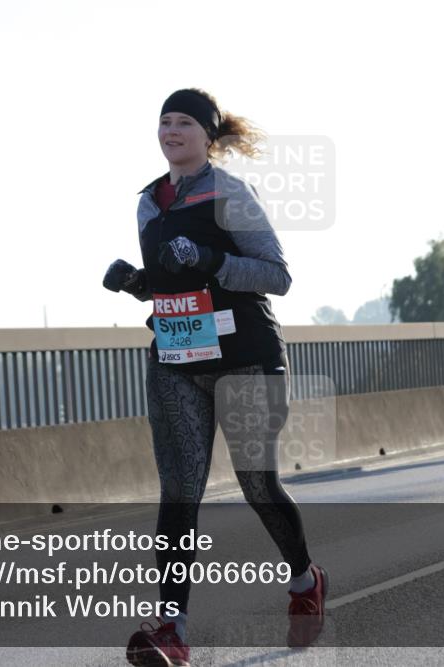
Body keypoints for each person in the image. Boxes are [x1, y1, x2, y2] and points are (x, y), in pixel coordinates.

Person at [103, 88, 327, 667]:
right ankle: (171, 628)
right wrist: (136, 283)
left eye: (183, 123)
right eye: (163, 122)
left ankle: (304, 582)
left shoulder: (230, 193)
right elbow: (170, 283)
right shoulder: (148, 203)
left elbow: (276, 276)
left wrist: (211, 261)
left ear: (208, 135)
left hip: (245, 357)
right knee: (179, 491)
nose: (170, 131)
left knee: (257, 484)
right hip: (178, 360)